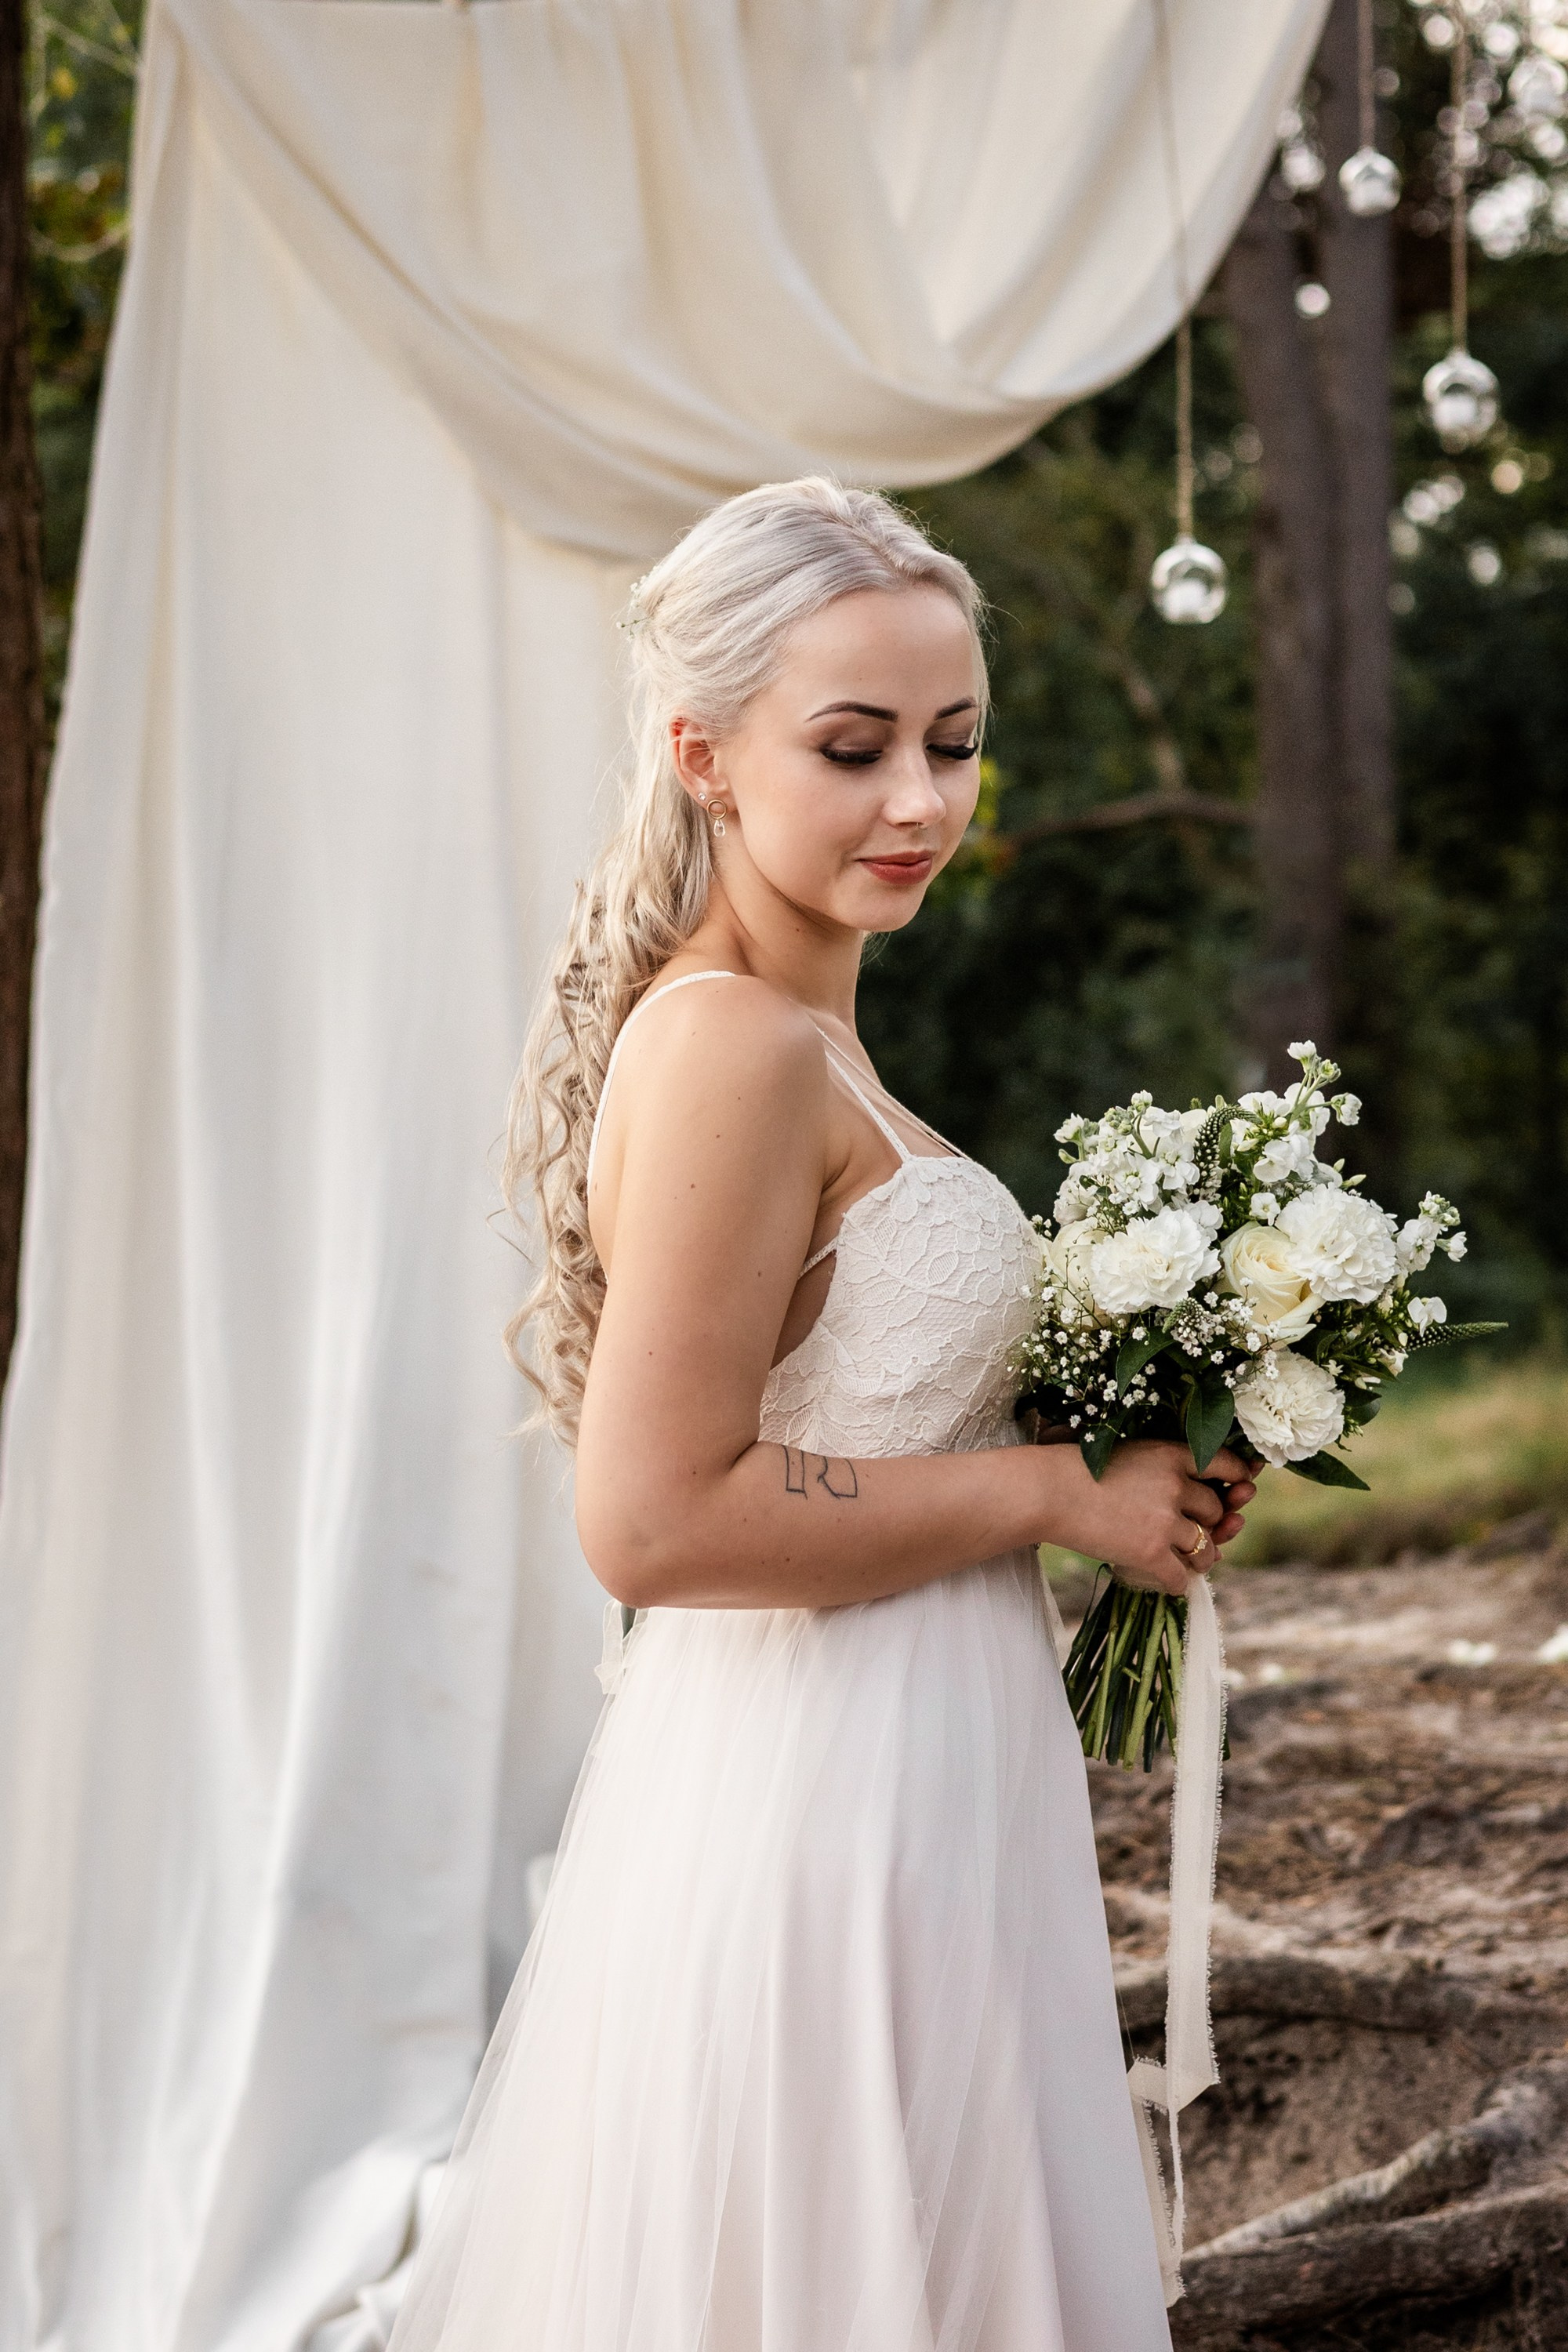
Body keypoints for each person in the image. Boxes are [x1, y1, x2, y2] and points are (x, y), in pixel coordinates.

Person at [387, 477, 1255, 2352]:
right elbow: (654, 1522)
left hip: (928, 1778)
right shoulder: (728, 1049)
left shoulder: (817, 1047)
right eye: (852, 749)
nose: (920, 804)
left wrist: (1143, 1450)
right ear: (702, 753)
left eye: (952, 744)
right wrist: (1046, 1487)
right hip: (817, 1806)